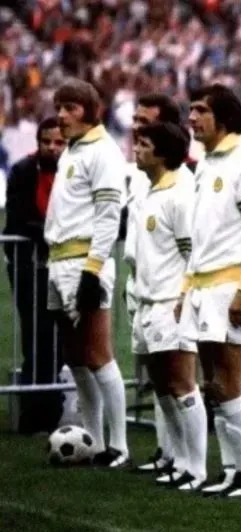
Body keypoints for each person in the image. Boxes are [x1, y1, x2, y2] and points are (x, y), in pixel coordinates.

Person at [182, 84, 241, 498]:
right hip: (203, 287)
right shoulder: (205, 164)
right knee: (214, 385)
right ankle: (231, 468)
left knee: (232, 383)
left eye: (201, 110)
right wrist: (187, 285)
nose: (193, 117)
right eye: (192, 109)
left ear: (224, 118)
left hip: (232, 286)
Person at [44, 79, 130, 467]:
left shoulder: (104, 152)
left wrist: (92, 270)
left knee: (98, 355)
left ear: (91, 110)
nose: (61, 115)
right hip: (58, 260)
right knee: (76, 357)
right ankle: (93, 440)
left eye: (71, 107)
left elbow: (109, 214)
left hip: (83, 261)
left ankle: (120, 445)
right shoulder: (72, 151)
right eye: (59, 107)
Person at [129, 121, 207, 490]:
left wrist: (183, 297)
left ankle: (197, 467)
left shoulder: (180, 194)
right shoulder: (148, 190)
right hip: (146, 301)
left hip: (169, 302)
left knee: (182, 385)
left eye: (144, 144)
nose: (136, 148)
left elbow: (191, 252)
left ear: (162, 153)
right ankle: (177, 459)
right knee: (162, 387)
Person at [3, 117, 66, 434]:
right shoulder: (22, 171)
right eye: (47, 142)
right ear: (37, 143)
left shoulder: (72, 173)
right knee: (36, 338)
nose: (52, 148)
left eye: (59, 142)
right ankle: (35, 414)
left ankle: (52, 411)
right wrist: (52, 234)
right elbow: (16, 219)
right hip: (28, 269)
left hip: (64, 269)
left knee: (62, 343)